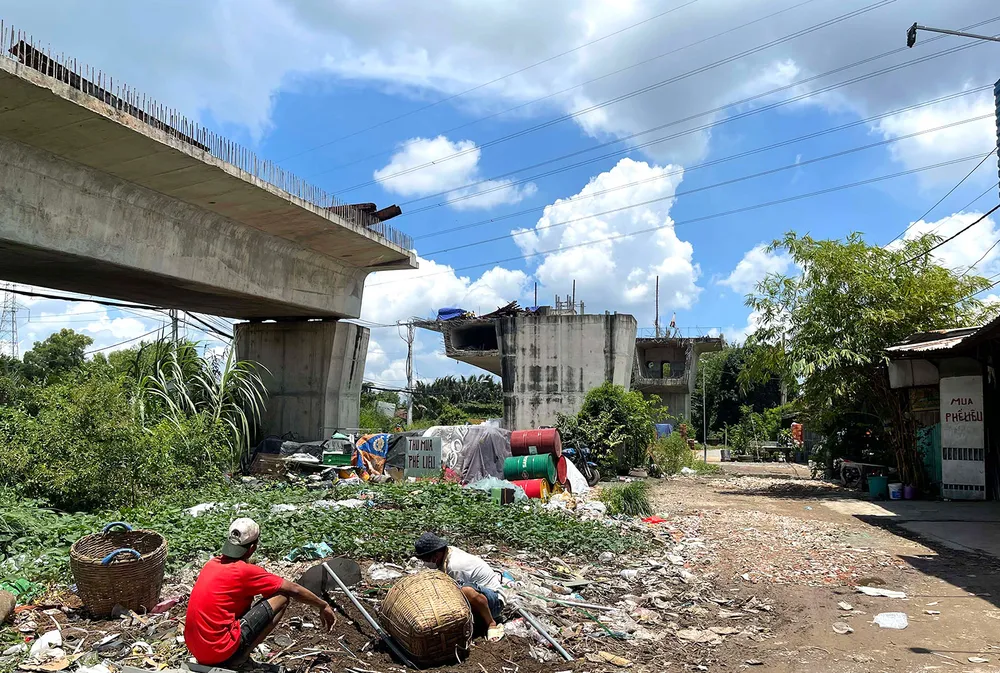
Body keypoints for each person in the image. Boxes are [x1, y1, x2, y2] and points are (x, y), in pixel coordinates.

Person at [185, 518, 336, 667]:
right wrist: (323, 605)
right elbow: (293, 589)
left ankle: (233, 653)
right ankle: (241, 657)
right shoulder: (245, 571)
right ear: (252, 549)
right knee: (281, 598)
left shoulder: (210, 565)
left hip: (196, 650)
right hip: (218, 650)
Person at [414, 532, 505, 642]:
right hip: (482, 596)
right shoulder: (447, 552)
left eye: (426, 560)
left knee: (465, 591)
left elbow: (457, 596)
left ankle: (491, 623)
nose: (426, 564)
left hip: (493, 602)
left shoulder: (455, 567)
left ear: (436, 556)